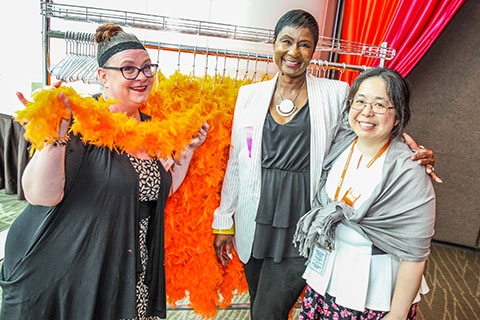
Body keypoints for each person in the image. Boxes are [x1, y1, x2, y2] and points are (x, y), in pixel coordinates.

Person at [212, 9, 436, 320]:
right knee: (258, 301)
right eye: (286, 41)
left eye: (304, 44)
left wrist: (409, 146)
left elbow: (367, 128)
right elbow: (238, 161)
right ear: (273, 43)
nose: (294, 52)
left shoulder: (334, 93)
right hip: (255, 217)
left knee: (267, 311)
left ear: (314, 50)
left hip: (302, 219)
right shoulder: (249, 95)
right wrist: (224, 220)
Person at [0, 23, 208, 320]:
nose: (142, 77)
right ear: (102, 76)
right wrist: (56, 135)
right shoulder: (80, 121)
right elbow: (40, 195)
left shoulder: (153, 128)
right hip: (69, 265)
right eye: (129, 69)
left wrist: (187, 150)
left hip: (127, 266)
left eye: (148, 68)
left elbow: (155, 190)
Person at [294, 67, 435, 320]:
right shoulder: (341, 143)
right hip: (324, 280)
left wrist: (398, 315)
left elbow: (415, 255)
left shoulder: (408, 171)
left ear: (398, 115)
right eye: (360, 101)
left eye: (380, 105)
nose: (367, 112)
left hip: (373, 295)